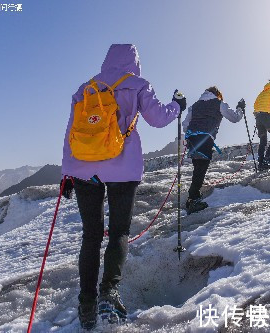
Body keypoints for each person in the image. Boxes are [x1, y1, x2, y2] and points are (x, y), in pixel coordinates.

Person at [61, 44, 185, 330]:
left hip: (83, 169)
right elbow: (158, 118)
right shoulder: (137, 84)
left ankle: (87, 303)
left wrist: (68, 172)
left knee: (91, 235)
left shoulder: (85, 88)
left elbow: (71, 132)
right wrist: (178, 105)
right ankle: (109, 293)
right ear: (135, 62)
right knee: (118, 232)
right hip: (122, 168)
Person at [182, 86, 244, 214]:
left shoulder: (195, 105)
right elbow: (234, 118)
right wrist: (240, 109)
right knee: (201, 167)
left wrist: (192, 131)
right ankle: (193, 199)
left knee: (198, 167)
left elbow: (185, 124)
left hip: (192, 139)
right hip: (205, 138)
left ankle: (193, 197)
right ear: (217, 94)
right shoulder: (219, 103)